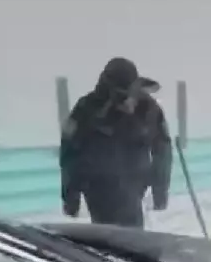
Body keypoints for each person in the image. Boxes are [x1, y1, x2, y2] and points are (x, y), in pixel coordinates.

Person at [59, 57, 172, 228]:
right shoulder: (87, 108)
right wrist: (70, 196)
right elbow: (69, 152)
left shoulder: (147, 108)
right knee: (106, 234)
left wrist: (160, 189)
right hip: (97, 188)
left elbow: (163, 149)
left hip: (133, 186)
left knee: (130, 234)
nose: (127, 101)